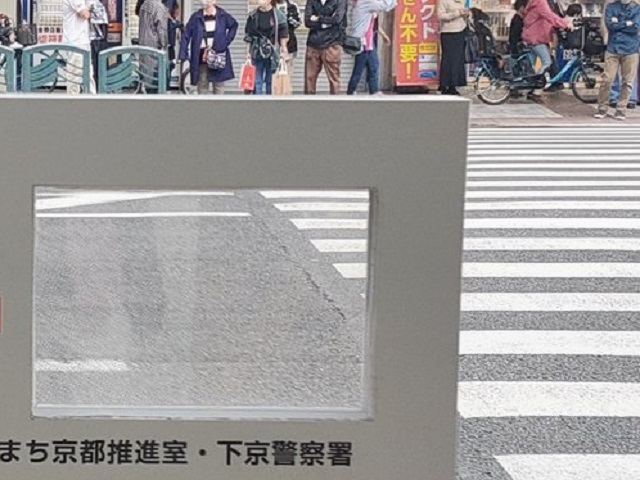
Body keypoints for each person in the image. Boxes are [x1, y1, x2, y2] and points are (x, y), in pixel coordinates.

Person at [179, 0, 238, 94]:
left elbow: (234, 25)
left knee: (219, 86)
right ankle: (203, 108)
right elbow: (186, 35)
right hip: (202, 56)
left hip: (218, 55)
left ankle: (218, 108)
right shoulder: (196, 17)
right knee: (202, 84)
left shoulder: (222, 15)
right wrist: (183, 54)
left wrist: (225, 42)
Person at [594, 0, 640, 120]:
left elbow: (636, 27)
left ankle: (621, 108)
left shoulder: (637, 8)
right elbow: (610, 26)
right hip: (613, 48)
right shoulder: (611, 6)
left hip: (631, 49)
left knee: (628, 82)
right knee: (607, 79)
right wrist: (627, 23)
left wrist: (618, 23)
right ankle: (602, 107)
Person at [346, 0, 396, 95]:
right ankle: (351, 90)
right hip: (363, 43)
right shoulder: (365, 2)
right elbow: (385, 6)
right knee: (359, 68)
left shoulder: (362, 4)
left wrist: (384, 36)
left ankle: (374, 90)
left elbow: (373, 24)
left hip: (369, 43)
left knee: (374, 66)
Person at [522, 0, 572, 92]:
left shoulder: (533, 2)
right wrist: (565, 23)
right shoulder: (540, 2)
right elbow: (550, 16)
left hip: (531, 36)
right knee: (547, 62)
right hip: (537, 38)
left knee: (530, 65)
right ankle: (536, 85)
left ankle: (527, 86)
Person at [244, 0, 289, 95]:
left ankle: (270, 102)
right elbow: (248, 35)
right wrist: (247, 52)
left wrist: (283, 49)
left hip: (273, 51)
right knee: (257, 80)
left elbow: (283, 34)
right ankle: (257, 102)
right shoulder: (253, 15)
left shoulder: (278, 15)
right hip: (256, 50)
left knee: (271, 80)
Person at [304, 0, 347, 94]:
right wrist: (328, 21)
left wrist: (318, 19)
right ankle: (307, 104)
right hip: (313, 43)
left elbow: (337, 19)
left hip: (332, 42)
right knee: (309, 79)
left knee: (334, 79)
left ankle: (335, 105)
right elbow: (307, 22)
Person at [62, 0, 97, 93]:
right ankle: (73, 104)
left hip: (83, 41)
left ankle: (92, 103)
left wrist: (87, 9)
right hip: (75, 43)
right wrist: (86, 10)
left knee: (88, 75)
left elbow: (91, 7)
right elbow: (85, 14)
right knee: (74, 78)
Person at [437, 0, 468, 95]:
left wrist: (466, 14)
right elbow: (440, 16)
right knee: (448, 59)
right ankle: (444, 85)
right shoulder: (443, 1)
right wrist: (457, 13)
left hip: (461, 31)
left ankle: (454, 85)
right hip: (448, 33)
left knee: (457, 60)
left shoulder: (463, 1)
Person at [138, 0, 169, 93]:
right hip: (155, 48)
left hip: (143, 45)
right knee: (157, 81)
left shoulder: (144, 5)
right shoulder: (159, 7)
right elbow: (161, 30)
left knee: (146, 76)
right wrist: (164, 45)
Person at [275, 0, 301, 78]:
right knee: (274, 77)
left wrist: (291, 20)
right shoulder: (270, 7)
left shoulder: (293, 7)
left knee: (287, 75)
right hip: (273, 47)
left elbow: (298, 23)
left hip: (290, 45)